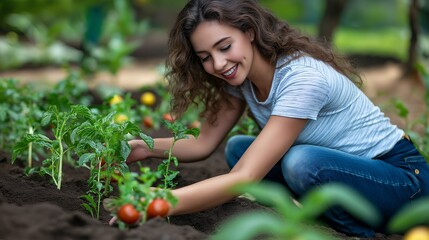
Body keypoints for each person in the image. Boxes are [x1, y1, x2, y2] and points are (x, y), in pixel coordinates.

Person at [125, 0, 429, 237]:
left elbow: (244, 178)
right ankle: (319, 216)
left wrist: (157, 200)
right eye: (205, 57)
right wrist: (146, 146)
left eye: (225, 47)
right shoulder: (240, 80)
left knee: (301, 161)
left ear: (250, 31)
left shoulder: (301, 79)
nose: (218, 63)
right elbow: (203, 143)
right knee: (238, 149)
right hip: (344, 175)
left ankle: (358, 233)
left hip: (403, 181)